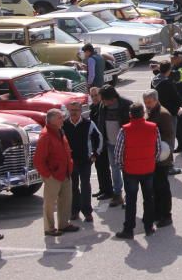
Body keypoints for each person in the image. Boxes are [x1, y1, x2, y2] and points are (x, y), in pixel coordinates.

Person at [113, 102, 160, 238]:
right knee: (148, 199)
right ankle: (148, 226)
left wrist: (122, 166)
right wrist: (152, 161)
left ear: (130, 115)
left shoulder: (125, 130)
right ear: (143, 113)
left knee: (131, 201)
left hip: (131, 171)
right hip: (148, 169)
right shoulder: (153, 128)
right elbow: (158, 149)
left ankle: (129, 229)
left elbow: (118, 152)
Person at [33, 109, 79, 237]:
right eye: (60, 118)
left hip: (65, 172)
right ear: (52, 120)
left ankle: (64, 224)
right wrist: (48, 175)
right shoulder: (46, 135)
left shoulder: (59, 131)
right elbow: (38, 160)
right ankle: (49, 228)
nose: (62, 119)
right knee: (50, 202)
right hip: (53, 175)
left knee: (66, 199)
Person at [63, 101, 103, 223]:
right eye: (71, 110)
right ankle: (74, 211)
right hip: (70, 162)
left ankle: (87, 212)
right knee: (73, 187)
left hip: (85, 161)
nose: (73, 112)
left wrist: (95, 154)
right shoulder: (64, 125)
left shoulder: (89, 124)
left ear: (81, 111)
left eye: (76, 110)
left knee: (85, 186)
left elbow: (99, 138)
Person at [98, 85, 131, 207]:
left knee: (127, 171)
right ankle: (117, 195)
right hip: (110, 144)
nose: (102, 102)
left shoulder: (126, 105)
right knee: (115, 170)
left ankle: (129, 196)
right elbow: (101, 124)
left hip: (125, 145)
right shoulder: (103, 106)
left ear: (111, 98)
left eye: (104, 99)